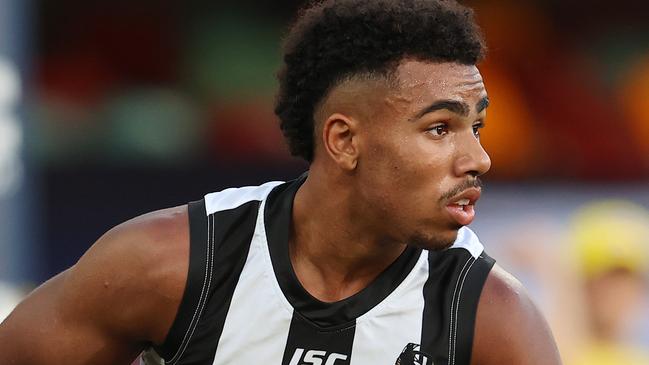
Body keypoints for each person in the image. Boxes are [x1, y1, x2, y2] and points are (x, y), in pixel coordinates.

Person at [0, 1, 562, 364]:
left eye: (476, 127)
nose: (480, 158)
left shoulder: (490, 317)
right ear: (344, 141)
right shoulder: (169, 264)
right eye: (440, 129)